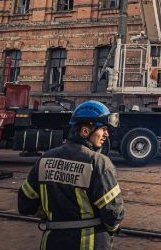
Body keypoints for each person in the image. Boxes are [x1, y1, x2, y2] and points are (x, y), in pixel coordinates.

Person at [18, 100, 124, 250]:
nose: (106, 134)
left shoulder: (45, 159)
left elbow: (25, 204)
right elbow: (113, 214)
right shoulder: (98, 163)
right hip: (90, 243)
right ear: (85, 131)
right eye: (103, 128)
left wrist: (55, 217)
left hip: (52, 241)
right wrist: (111, 230)